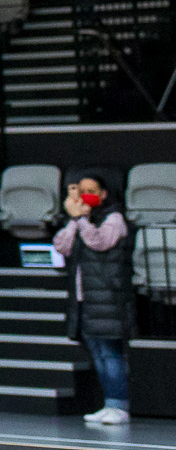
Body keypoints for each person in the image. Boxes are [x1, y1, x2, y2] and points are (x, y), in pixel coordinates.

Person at [57, 171, 134, 425]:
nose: (85, 195)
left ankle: (119, 405)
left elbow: (99, 242)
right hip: (85, 297)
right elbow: (61, 245)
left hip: (109, 296)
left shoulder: (114, 219)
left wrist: (81, 220)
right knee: (98, 354)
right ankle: (108, 402)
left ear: (103, 194)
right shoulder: (80, 219)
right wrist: (75, 219)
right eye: (81, 190)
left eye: (91, 190)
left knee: (112, 354)